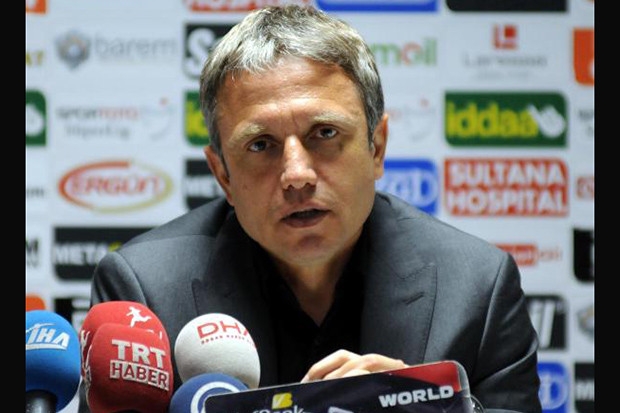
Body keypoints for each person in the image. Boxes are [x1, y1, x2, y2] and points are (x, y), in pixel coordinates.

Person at [83, 5, 541, 412]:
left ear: (376, 148)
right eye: (260, 144)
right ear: (223, 175)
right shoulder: (145, 294)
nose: (296, 174)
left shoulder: (477, 289)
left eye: (324, 134)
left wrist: (431, 407)